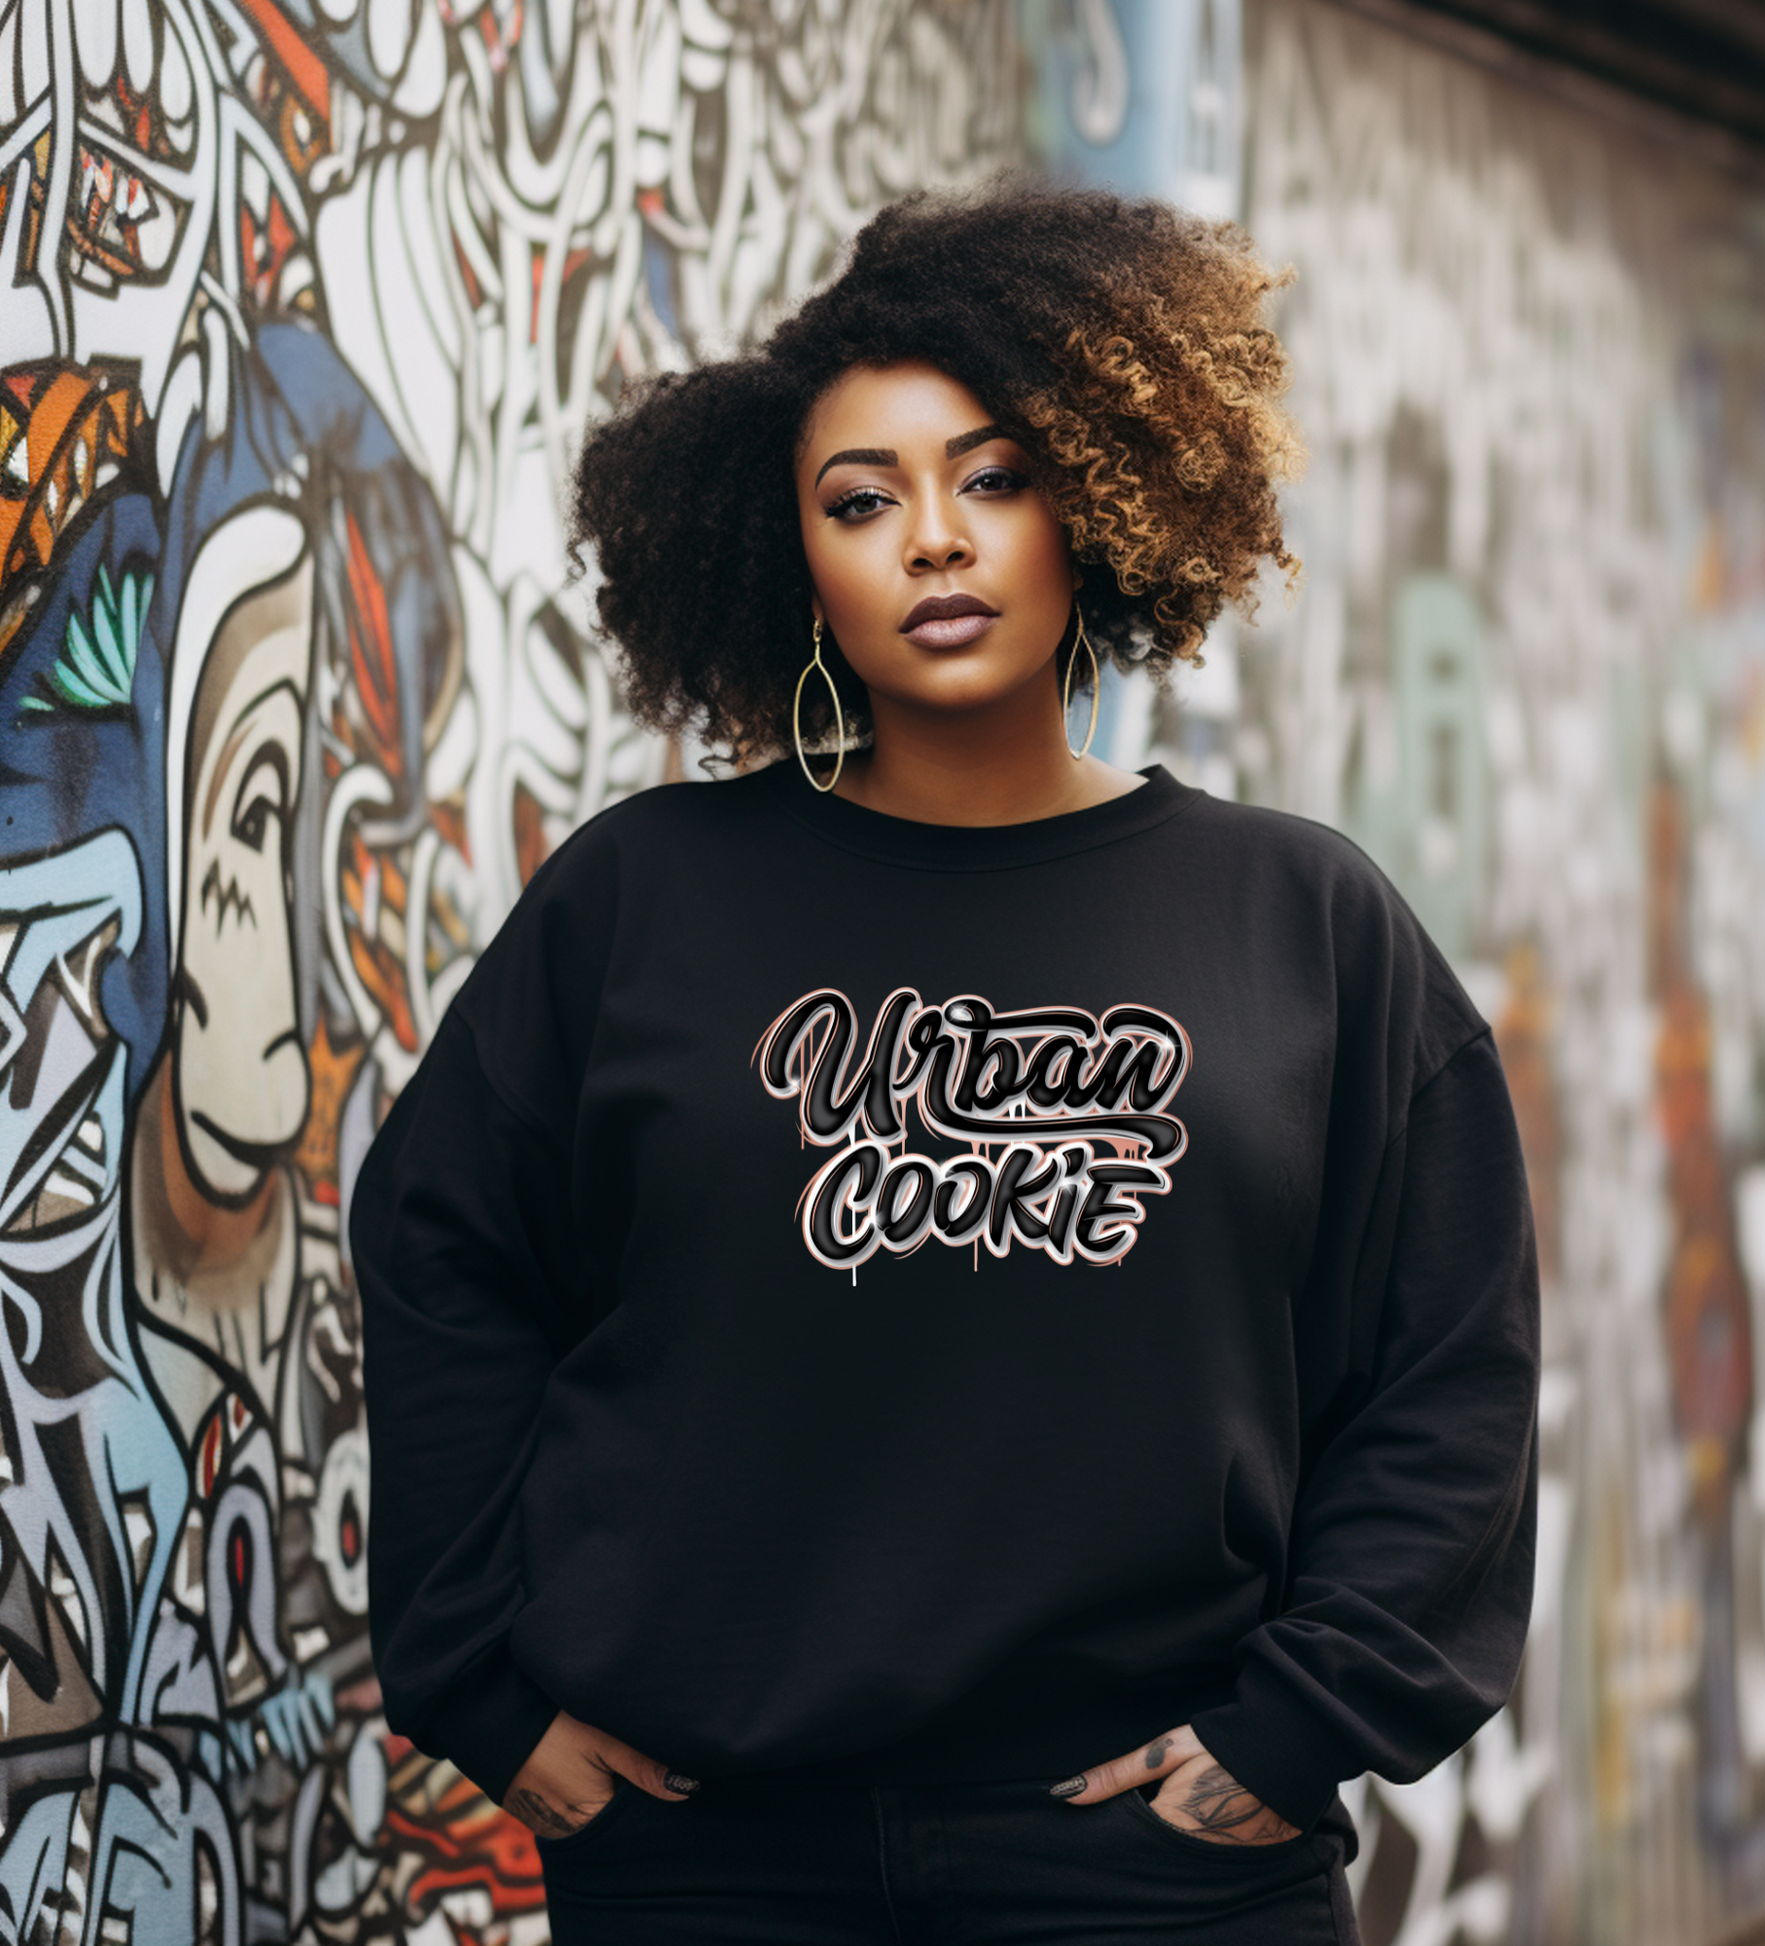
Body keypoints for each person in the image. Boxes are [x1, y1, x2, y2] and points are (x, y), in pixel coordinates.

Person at [350, 176, 1540, 1946]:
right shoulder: (646, 897)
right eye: (861, 499)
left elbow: (1450, 1363)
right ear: (790, 563)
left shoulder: (1299, 918)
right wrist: (480, 1687)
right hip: (713, 1857)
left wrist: (1290, 1736)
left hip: (1157, 1869)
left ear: (1103, 499)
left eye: (993, 476)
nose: (934, 538)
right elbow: (442, 1254)